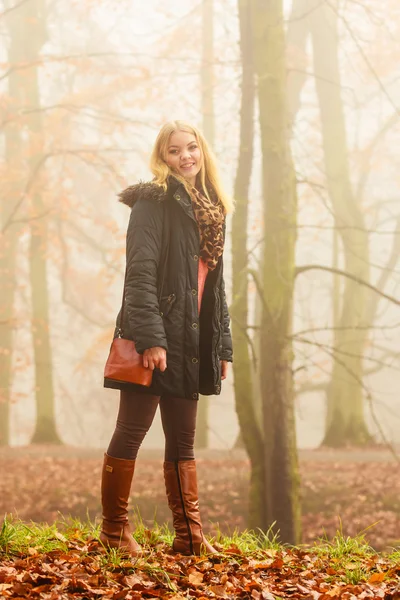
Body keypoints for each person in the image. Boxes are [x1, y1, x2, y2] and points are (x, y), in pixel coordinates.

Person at [100, 120, 234, 557]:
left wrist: (222, 347)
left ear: (202, 150)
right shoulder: (151, 203)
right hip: (152, 340)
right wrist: (151, 339)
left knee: (183, 441)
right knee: (131, 431)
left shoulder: (212, 206)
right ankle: (114, 532)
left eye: (191, 147)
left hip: (193, 343)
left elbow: (214, 286)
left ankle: (189, 537)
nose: (185, 157)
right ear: (162, 157)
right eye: (174, 151)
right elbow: (138, 276)